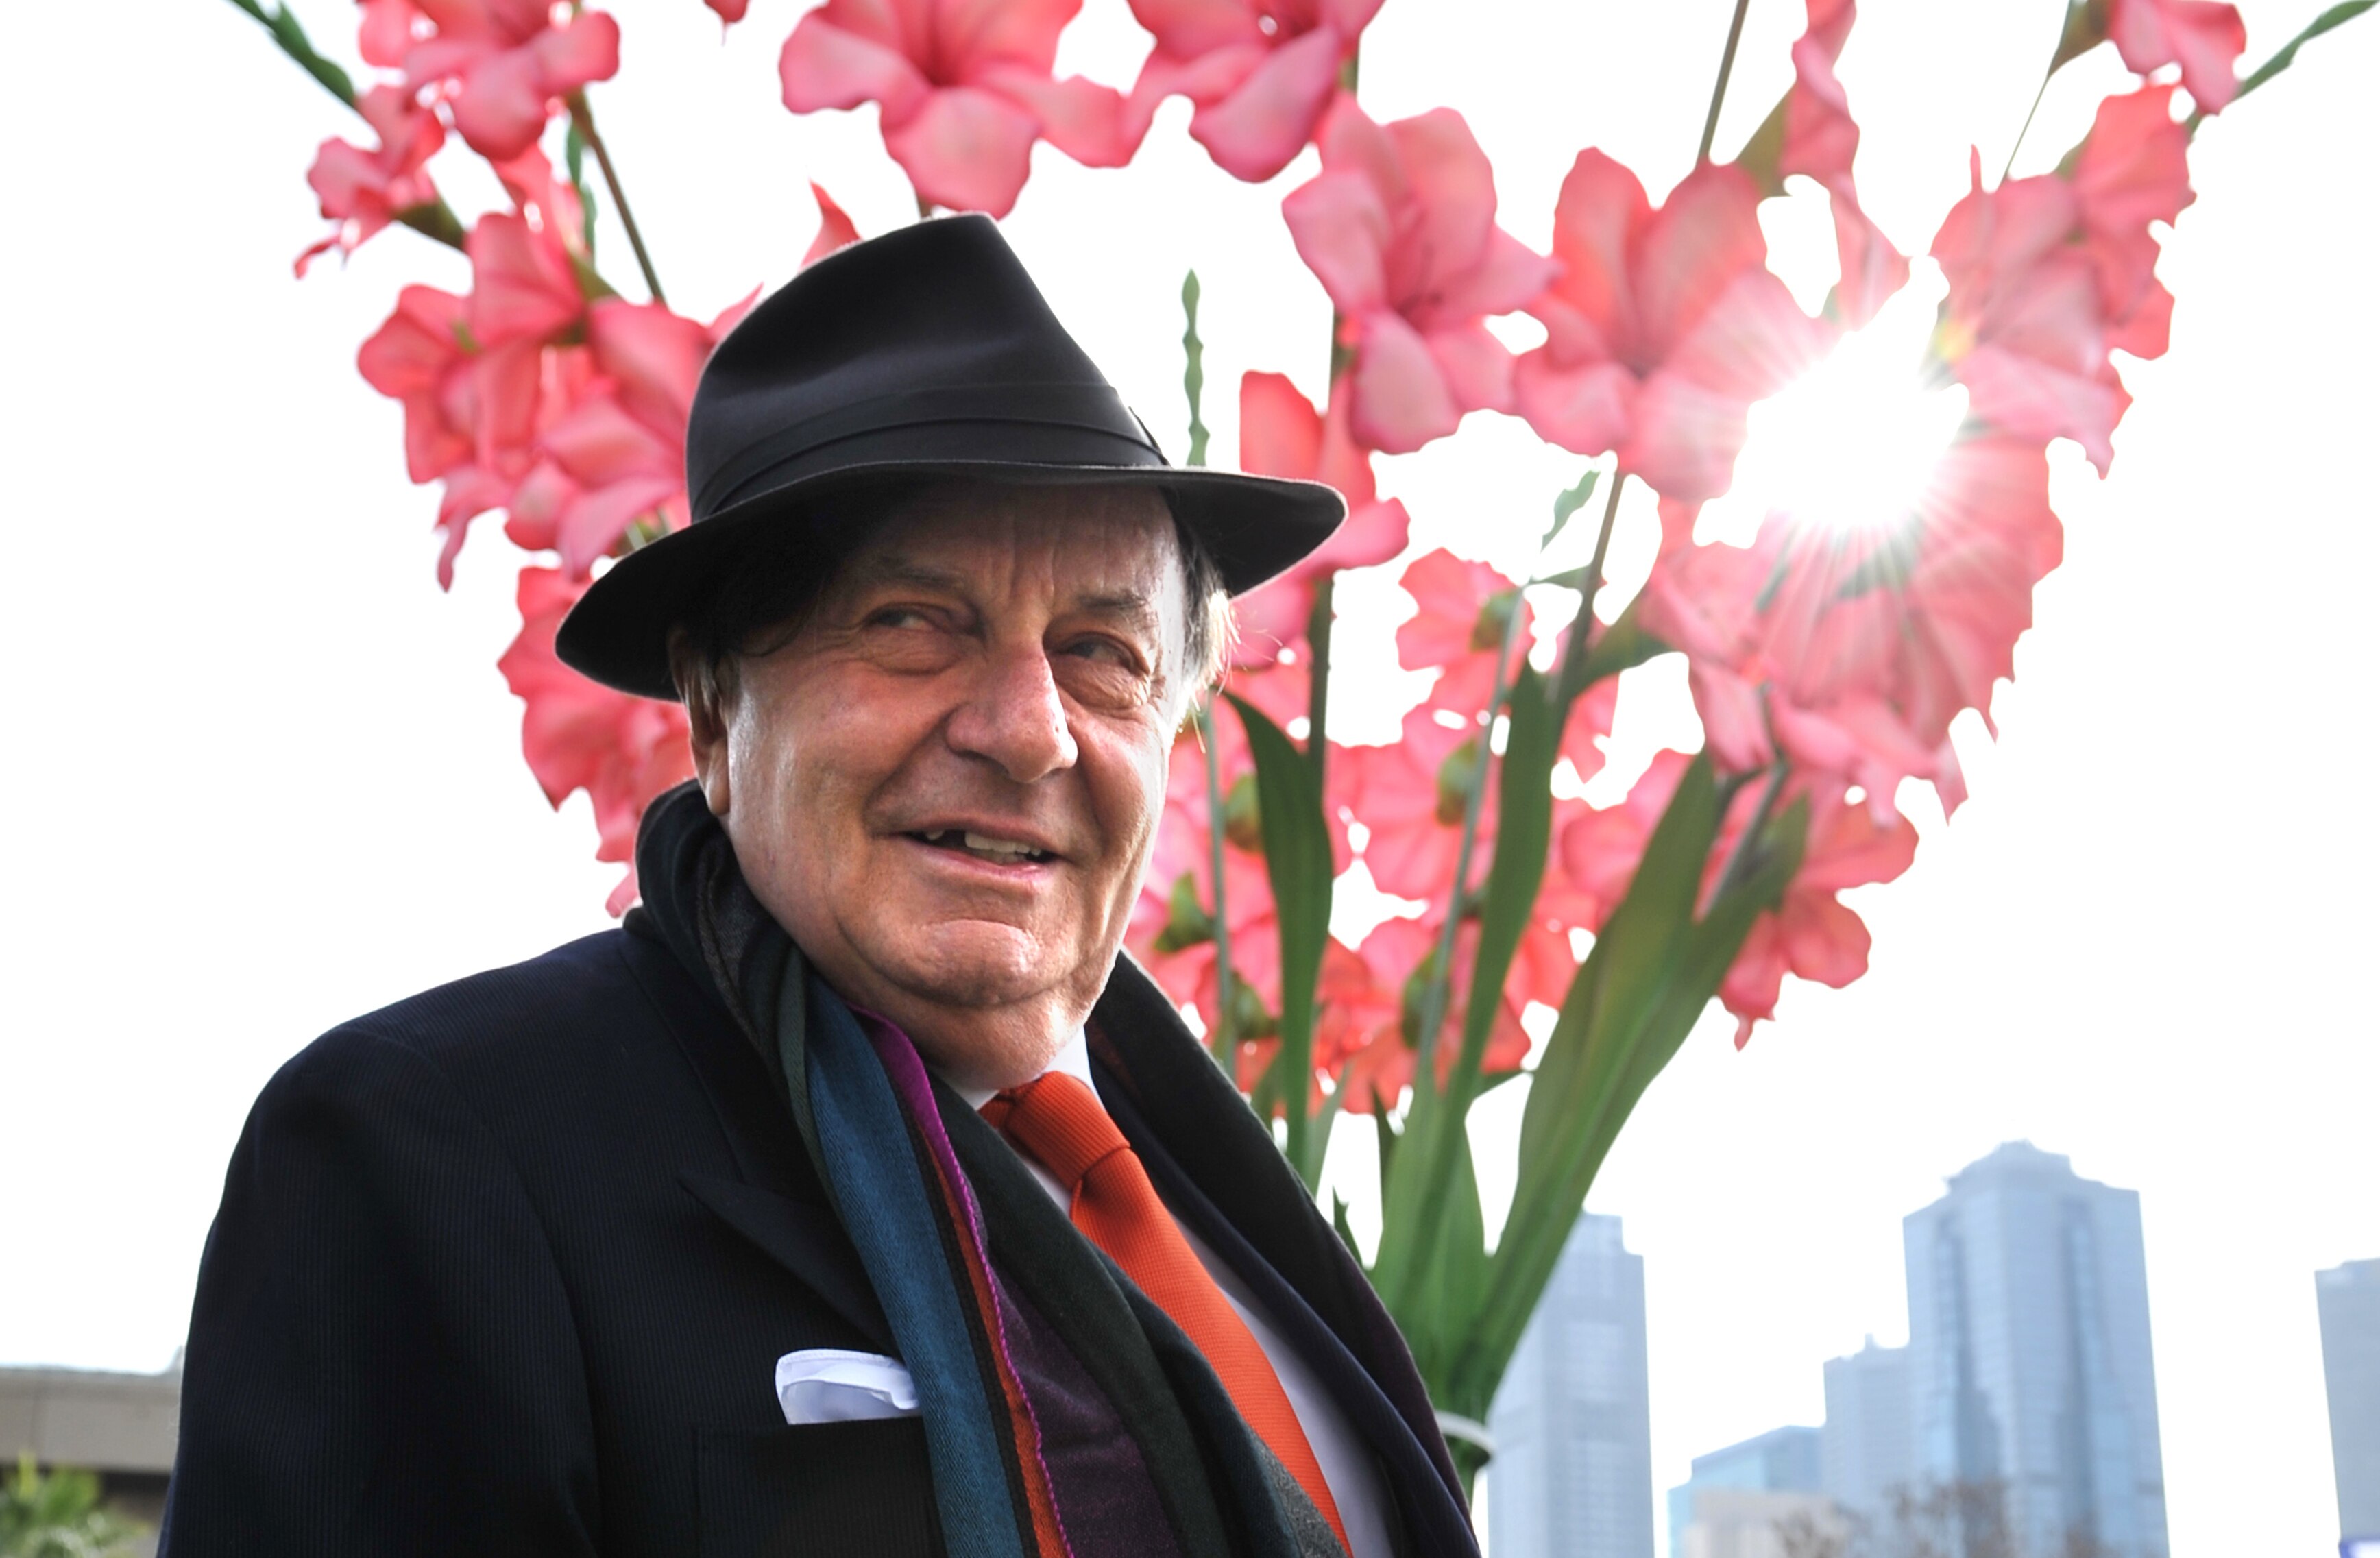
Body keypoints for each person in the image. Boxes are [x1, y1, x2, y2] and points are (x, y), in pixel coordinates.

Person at [160, 215, 1477, 1558]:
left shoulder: (1228, 1208)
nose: (1029, 731)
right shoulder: (434, 1159)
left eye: (1099, 654)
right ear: (717, 715)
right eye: (912, 624)